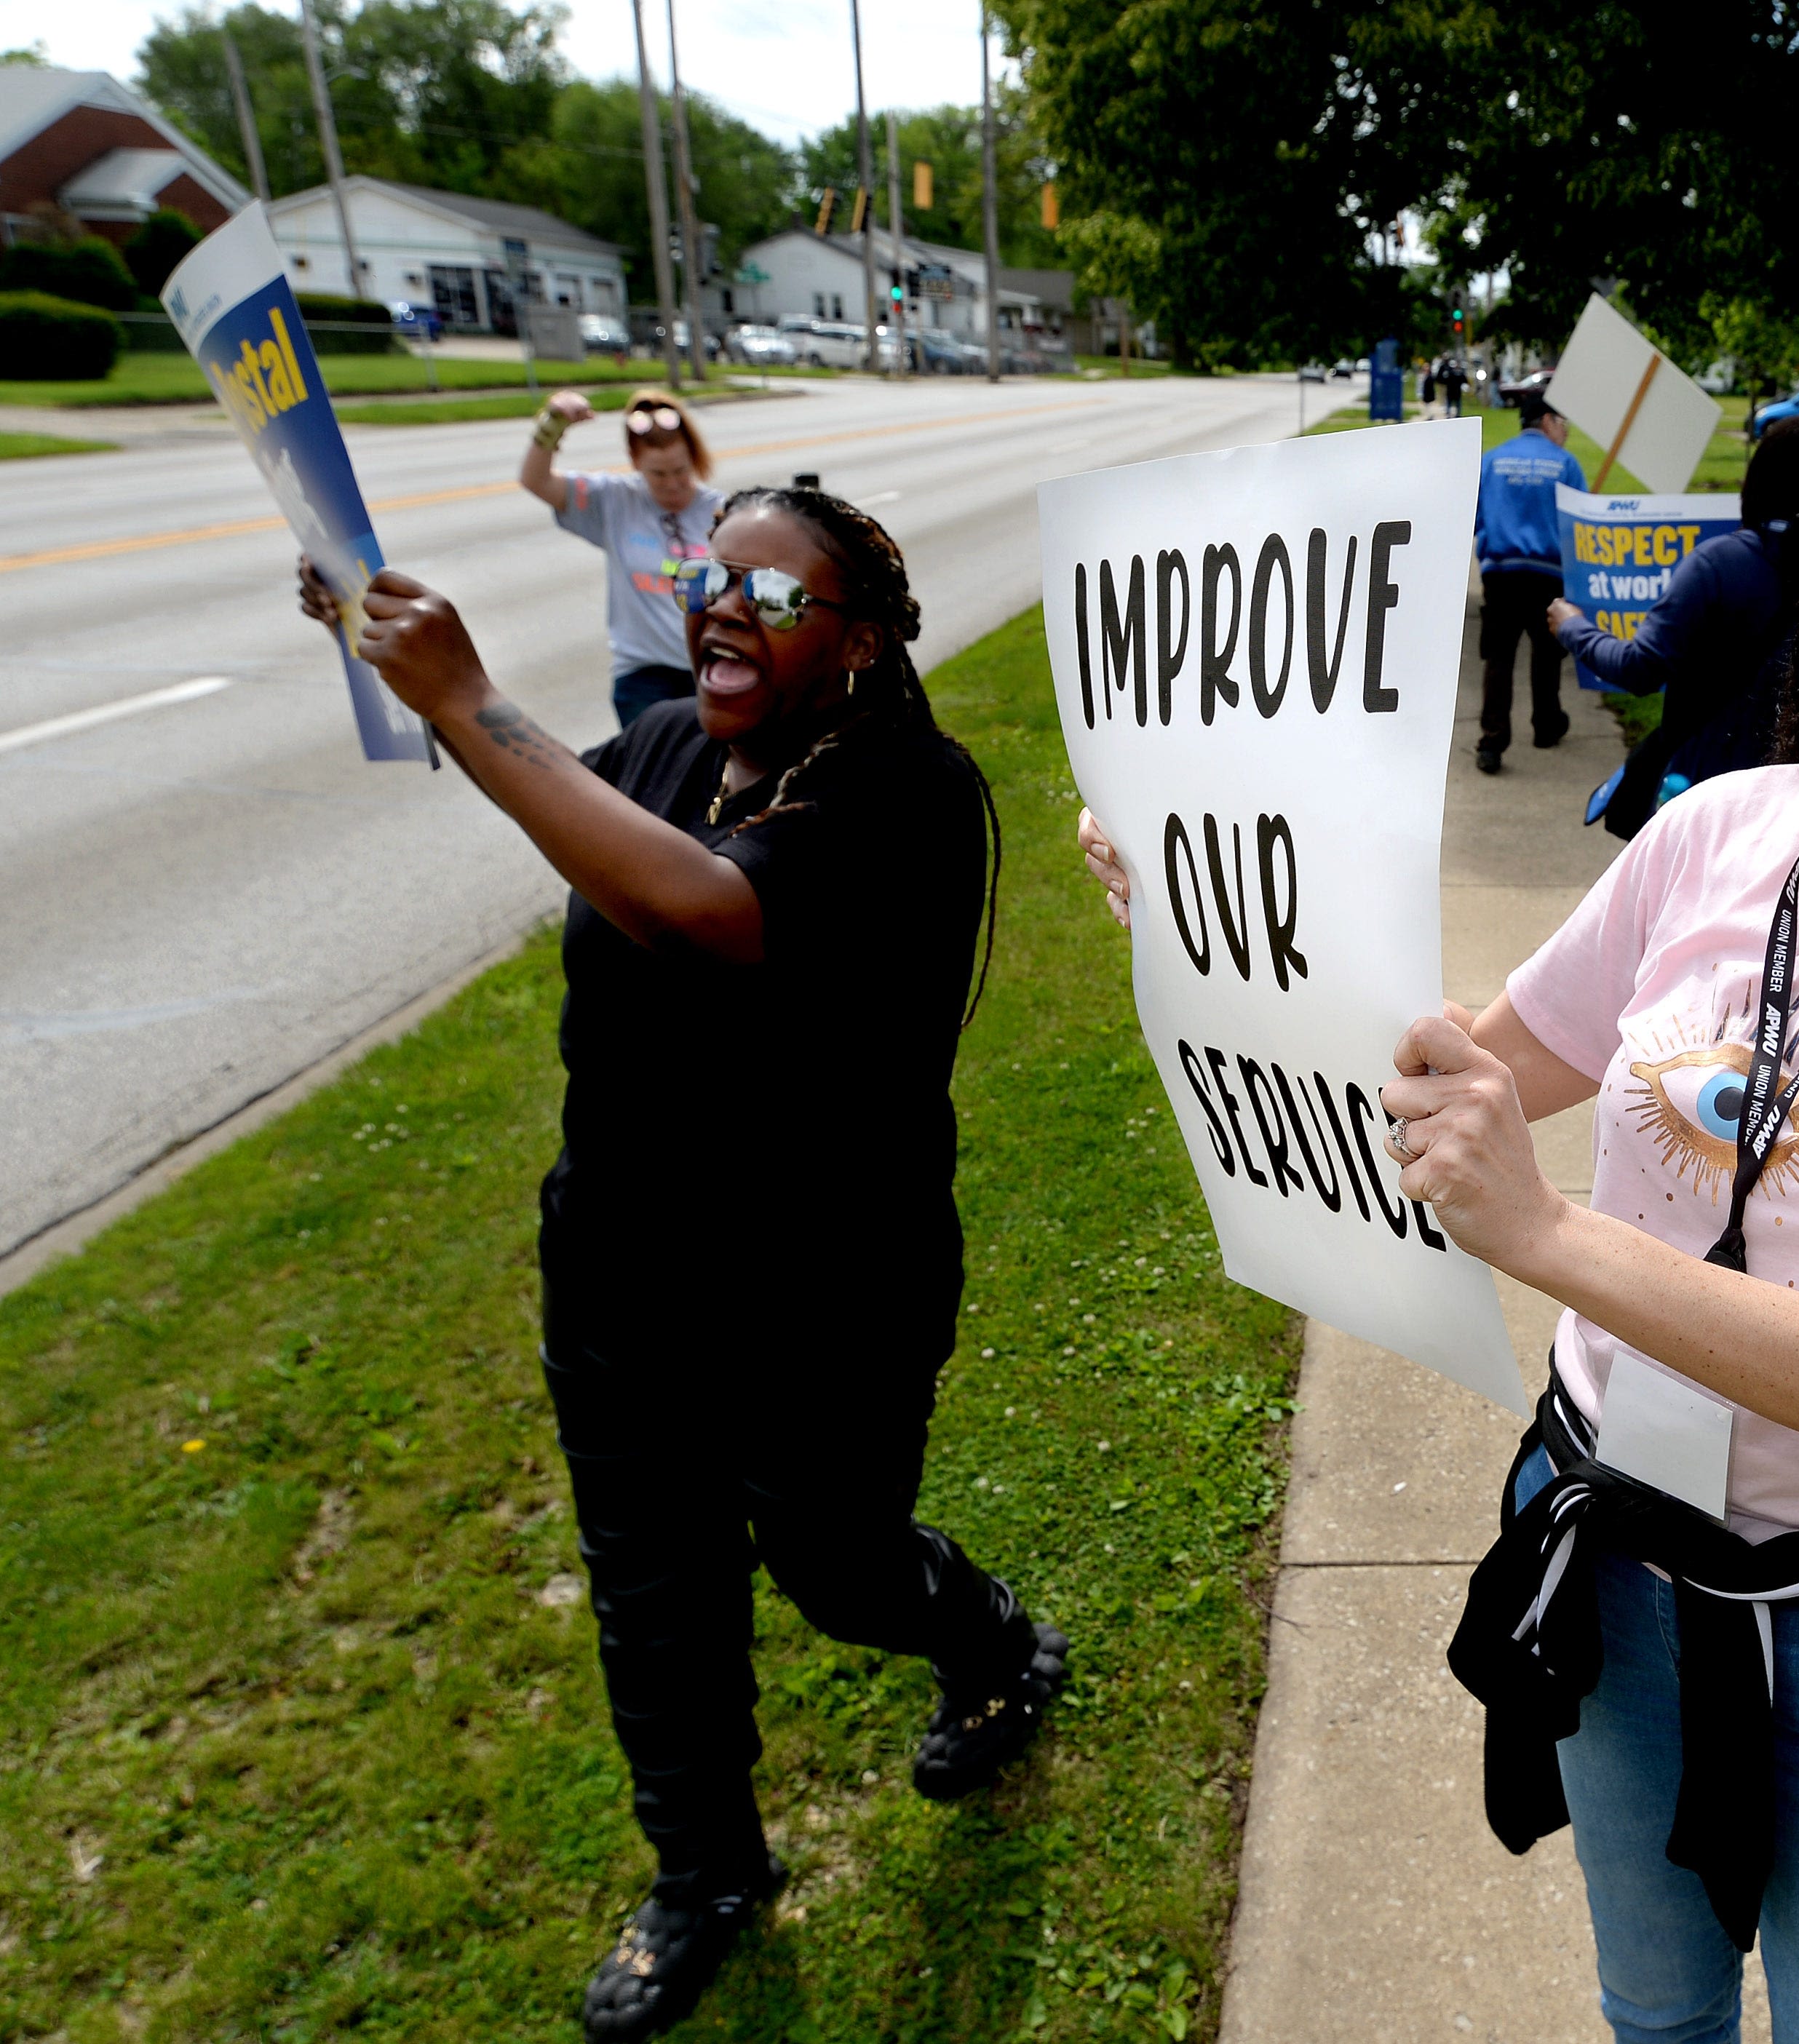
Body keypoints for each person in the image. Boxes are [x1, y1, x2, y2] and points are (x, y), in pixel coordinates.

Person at [1079, 400, 1799, 2039]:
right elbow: (1463, 1076)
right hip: (1618, 1559)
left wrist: (1550, 1239)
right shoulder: (1713, 831)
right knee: (1655, 2008)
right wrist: (1216, 919)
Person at [295, 486, 1062, 2043]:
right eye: (712, 579)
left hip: (822, 1288)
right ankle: (704, 1871)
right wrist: (400, 664)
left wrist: (465, 692)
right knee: (652, 1586)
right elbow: (584, 814)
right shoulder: (661, 750)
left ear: (856, 644)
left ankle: (987, 1644)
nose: (725, 609)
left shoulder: (908, 795)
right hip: (626, 1267)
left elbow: (702, 904)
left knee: (837, 1566)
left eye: (775, 598)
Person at [1545, 417, 1799, 839]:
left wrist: (1573, 628)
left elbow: (1640, 668)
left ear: (1758, 479)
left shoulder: (1717, 564)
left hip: (1710, 792)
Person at [522, 386, 726, 730]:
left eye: (681, 470)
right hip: (643, 677)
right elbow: (536, 480)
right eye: (658, 475)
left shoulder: (720, 511)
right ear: (635, 463)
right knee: (654, 778)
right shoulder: (615, 501)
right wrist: (554, 423)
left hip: (709, 669)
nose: (673, 484)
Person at [1473, 391, 1588, 774]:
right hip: (1548, 575)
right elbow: (1580, 526)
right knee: (1548, 652)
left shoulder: (1491, 462)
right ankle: (1546, 725)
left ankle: (1492, 743)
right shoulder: (1566, 466)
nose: (1566, 433)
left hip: (1501, 573)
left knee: (1499, 657)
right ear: (1546, 421)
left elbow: (1473, 519)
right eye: (1563, 423)